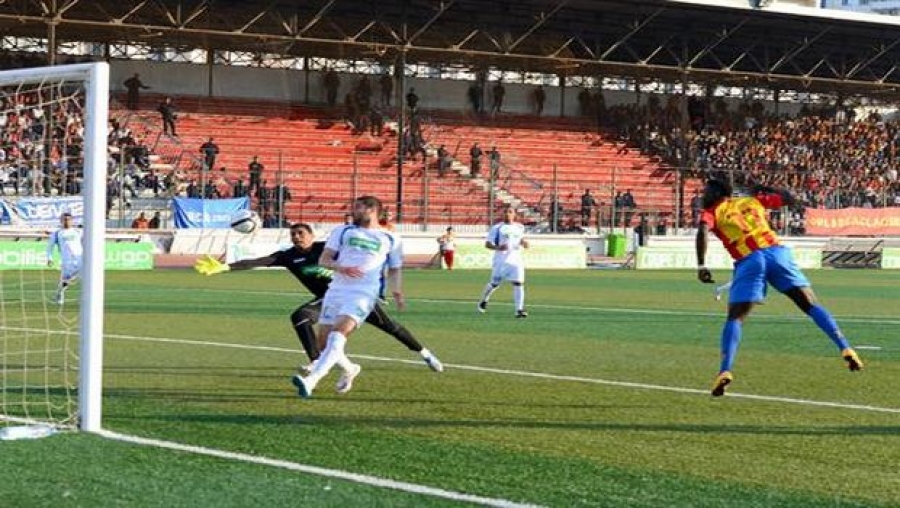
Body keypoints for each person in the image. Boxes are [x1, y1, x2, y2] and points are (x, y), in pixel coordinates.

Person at [194, 222, 442, 375]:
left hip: (354, 297)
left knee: (391, 327)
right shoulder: (288, 256)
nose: (296, 238)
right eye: (293, 235)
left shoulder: (327, 248)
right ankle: (315, 361)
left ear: (311, 235)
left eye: (301, 233)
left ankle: (425, 353)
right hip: (328, 300)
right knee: (300, 317)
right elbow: (258, 261)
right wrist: (224, 267)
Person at [695, 179, 863, 397]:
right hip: (778, 254)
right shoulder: (752, 201)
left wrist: (701, 264)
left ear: (718, 192)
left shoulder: (712, 212)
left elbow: (702, 231)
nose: (703, 194)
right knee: (810, 304)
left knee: (736, 317)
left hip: (749, 260)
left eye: (706, 191)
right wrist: (765, 188)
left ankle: (725, 370)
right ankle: (845, 346)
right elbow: (789, 198)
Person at [291, 196, 406, 398]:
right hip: (336, 291)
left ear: (372, 210)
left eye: (358, 208)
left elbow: (395, 269)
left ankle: (311, 381)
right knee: (324, 344)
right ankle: (350, 368)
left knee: (338, 334)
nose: (353, 212)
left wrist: (396, 290)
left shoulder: (391, 239)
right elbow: (324, 259)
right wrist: (341, 267)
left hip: (363, 293)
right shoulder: (342, 231)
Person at [477, 205, 529, 318]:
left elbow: (519, 239)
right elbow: (487, 244)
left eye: (510, 212)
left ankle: (519, 310)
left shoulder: (519, 227)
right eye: (505, 212)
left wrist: (524, 243)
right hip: (501, 260)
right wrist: (498, 247)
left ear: (514, 214)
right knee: (494, 284)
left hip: (516, 260)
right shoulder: (497, 228)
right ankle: (484, 300)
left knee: (518, 283)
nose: (508, 214)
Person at [46, 212, 82, 305]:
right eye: (64, 220)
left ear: (72, 221)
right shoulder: (57, 233)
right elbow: (50, 247)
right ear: (61, 221)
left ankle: (86, 298)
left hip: (80, 259)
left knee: (88, 278)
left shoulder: (78, 232)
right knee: (65, 281)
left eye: (69, 220)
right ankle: (59, 295)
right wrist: (49, 258)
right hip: (67, 261)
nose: (67, 222)